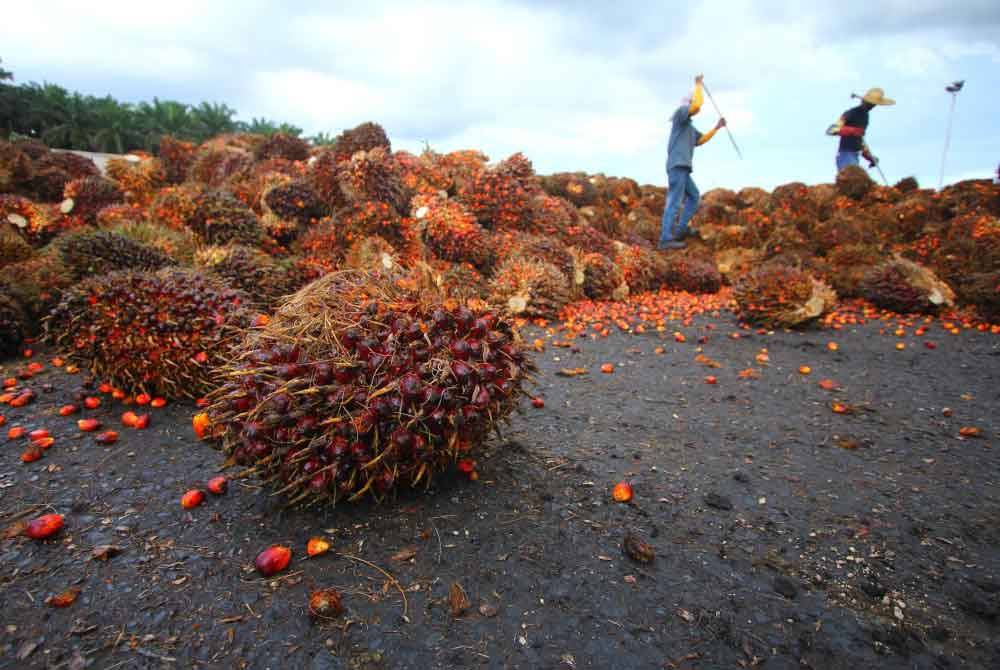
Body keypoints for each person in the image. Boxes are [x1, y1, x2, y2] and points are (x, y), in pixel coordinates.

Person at [659, 74, 726, 250]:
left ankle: (680, 230)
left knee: (694, 196)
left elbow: (701, 140)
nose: (696, 109)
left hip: (684, 167)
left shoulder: (688, 126)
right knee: (674, 200)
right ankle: (665, 239)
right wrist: (698, 85)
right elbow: (697, 105)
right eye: (692, 104)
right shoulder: (680, 115)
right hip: (677, 165)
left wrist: (716, 128)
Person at [827, 87, 894, 175]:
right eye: (870, 103)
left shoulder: (865, 116)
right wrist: (852, 131)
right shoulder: (851, 113)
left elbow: (860, 139)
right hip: (845, 155)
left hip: (854, 155)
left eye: (873, 104)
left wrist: (869, 157)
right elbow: (831, 130)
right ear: (864, 101)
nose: (872, 106)